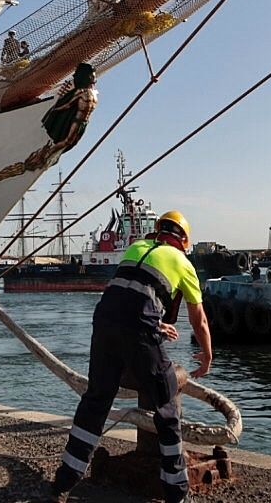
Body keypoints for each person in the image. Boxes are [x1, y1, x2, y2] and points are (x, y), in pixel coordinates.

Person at [51, 211, 211, 503]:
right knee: (166, 402)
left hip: (104, 321)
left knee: (96, 400)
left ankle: (64, 480)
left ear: (157, 231)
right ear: (184, 241)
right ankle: (176, 491)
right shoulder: (183, 262)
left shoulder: (135, 248)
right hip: (138, 329)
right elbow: (198, 319)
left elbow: (127, 294)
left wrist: (154, 322)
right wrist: (207, 355)